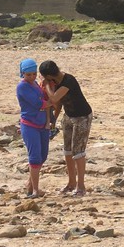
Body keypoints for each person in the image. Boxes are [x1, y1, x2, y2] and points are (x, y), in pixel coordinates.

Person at [38, 60, 93, 196]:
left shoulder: (68, 81)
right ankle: (71, 183)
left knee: (78, 151)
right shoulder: (55, 83)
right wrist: (54, 120)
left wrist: (47, 86)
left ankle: (81, 186)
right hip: (68, 116)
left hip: (82, 117)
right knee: (68, 151)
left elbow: (55, 98)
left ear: (48, 76)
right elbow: (58, 105)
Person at [16, 57, 51, 198]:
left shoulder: (36, 84)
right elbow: (39, 103)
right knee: (35, 157)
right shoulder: (22, 86)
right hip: (30, 125)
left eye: (33, 74)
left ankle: (30, 185)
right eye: (28, 74)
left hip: (42, 124)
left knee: (43, 155)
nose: (31, 77)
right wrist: (53, 101)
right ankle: (35, 189)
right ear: (22, 73)